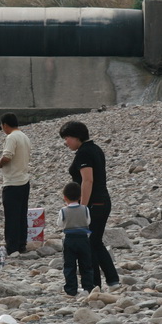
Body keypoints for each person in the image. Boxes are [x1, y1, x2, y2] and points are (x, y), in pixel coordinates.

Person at [59, 120, 120, 289]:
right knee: (95, 242)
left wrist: (82, 207)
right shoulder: (94, 148)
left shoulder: (84, 153)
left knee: (91, 243)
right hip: (101, 201)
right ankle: (111, 280)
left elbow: (88, 180)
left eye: (67, 138)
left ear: (77, 136)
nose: (66, 142)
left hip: (95, 203)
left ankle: (95, 283)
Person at [0, 113, 31, 255]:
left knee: (11, 216)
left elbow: (7, 156)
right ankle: (22, 244)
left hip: (12, 182)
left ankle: (12, 247)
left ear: (5, 125)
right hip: (24, 180)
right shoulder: (24, 137)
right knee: (22, 215)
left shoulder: (11, 137)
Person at [58, 182, 94, 297]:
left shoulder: (63, 211)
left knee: (69, 265)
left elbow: (60, 224)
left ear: (65, 197)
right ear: (80, 197)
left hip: (69, 239)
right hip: (83, 239)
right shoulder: (85, 209)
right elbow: (88, 222)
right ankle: (88, 287)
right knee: (86, 264)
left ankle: (71, 289)